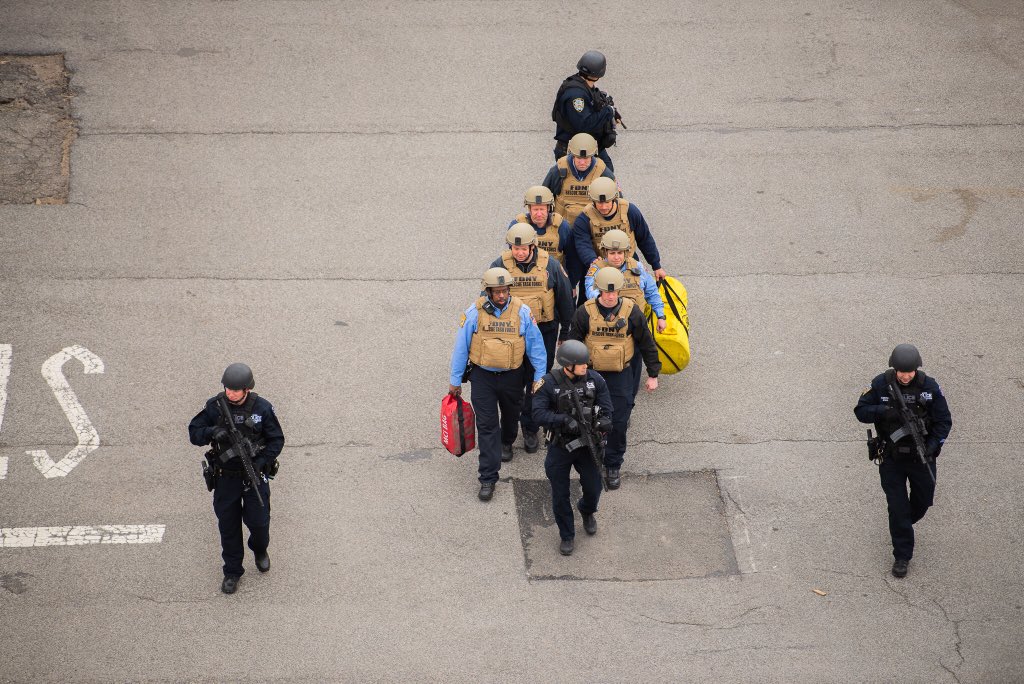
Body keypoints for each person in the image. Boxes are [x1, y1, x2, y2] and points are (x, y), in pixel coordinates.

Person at [855, 344, 952, 578]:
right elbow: (860, 411)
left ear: (917, 369)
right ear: (894, 368)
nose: (905, 375)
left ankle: (902, 525)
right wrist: (884, 411)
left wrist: (932, 446)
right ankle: (902, 555)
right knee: (898, 508)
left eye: (910, 371)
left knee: (923, 501)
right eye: (901, 371)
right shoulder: (881, 383)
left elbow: (944, 421)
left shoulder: (929, 387)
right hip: (892, 456)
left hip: (922, 458)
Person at [449, 267, 546, 501]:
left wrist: (539, 377)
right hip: (483, 377)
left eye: (504, 290)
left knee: (512, 416)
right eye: (496, 291)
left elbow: (536, 346)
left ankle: (507, 441)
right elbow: (461, 347)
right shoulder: (474, 312)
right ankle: (488, 477)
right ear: (488, 291)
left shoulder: (523, 312)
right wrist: (455, 381)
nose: (501, 295)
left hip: (513, 376)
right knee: (487, 426)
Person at [188, 363, 285, 594]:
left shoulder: (262, 409)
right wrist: (212, 432)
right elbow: (194, 432)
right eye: (227, 388)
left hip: (254, 476)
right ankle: (232, 571)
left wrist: (260, 462)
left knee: (259, 523)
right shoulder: (215, 407)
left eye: (236, 389)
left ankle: (259, 549)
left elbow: (276, 440)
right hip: (225, 478)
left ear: (247, 389)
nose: (230, 392)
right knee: (229, 528)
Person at [566, 267, 660, 489]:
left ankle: (613, 464)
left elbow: (646, 343)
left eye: (614, 292)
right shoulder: (585, 312)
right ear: (598, 290)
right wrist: (570, 373)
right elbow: (574, 343)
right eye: (606, 292)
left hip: (620, 374)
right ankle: (589, 458)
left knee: (618, 421)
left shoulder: (631, 312)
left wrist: (653, 374)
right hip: (591, 373)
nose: (610, 296)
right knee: (585, 416)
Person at [490, 224, 575, 454]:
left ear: (532, 246)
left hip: (545, 331)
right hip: (512, 334)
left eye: (523, 248)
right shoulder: (499, 265)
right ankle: (507, 436)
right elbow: (487, 301)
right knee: (511, 386)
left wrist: (566, 333)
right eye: (515, 248)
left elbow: (565, 299)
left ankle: (529, 427)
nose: (519, 252)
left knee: (536, 384)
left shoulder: (551, 265)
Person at [532, 340, 614, 555]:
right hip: (561, 446)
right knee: (560, 494)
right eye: (581, 364)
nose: (585, 366)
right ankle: (566, 535)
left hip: (589, 446)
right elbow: (537, 414)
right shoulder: (548, 383)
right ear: (567, 365)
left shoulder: (595, 380)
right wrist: (562, 420)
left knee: (594, 487)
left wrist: (604, 421)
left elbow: (607, 407)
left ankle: (587, 510)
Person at [584, 228, 668, 397]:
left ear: (626, 252)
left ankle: (628, 402)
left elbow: (651, 292)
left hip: (634, 327)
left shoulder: (637, 268)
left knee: (634, 367)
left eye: (620, 253)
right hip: (605, 328)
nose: (616, 257)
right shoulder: (596, 269)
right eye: (612, 253)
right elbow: (590, 291)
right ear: (605, 251)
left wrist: (660, 315)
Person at [574, 177, 666, 283]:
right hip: (600, 267)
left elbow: (644, 239)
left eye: (607, 202)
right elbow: (582, 244)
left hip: (629, 265)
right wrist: (591, 259)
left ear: (615, 198)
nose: (603, 207)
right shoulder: (584, 218)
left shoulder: (630, 211)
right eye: (599, 203)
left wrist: (656, 266)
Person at [551, 50, 622, 171]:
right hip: (574, 153)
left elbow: (598, 103)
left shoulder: (585, 86)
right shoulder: (575, 95)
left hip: (590, 147)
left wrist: (612, 112)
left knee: (608, 180)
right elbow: (584, 125)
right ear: (599, 73)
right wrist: (608, 112)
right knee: (572, 188)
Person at [542, 133, 615, 233]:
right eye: (578, 158)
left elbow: (616, 202)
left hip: (592, 229)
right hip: (562, 228)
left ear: (593, 155)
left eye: (586, 158)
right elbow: (543, 199)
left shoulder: (602, 172)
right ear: (571, 154)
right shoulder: (559, 169)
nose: (582, 162)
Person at [509, 185, 578, 283]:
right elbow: (511, 255)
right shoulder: (517, 226)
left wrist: (572, 284)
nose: (539, 214)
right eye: (535, 210)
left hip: (555, 277)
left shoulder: (562, 226)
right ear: (529, 209)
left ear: (548, 208)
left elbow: (572, 258)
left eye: (542, 209)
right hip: (526, 279)